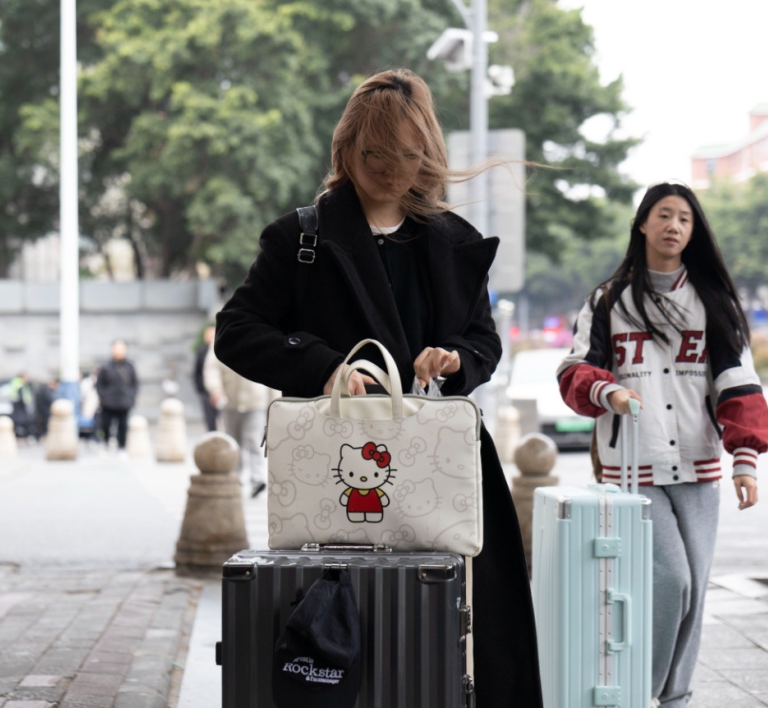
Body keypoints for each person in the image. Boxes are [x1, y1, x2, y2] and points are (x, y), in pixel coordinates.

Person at [213, 68, 542, 706]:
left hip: (444, 465)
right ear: (345, 152)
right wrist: (324, 366)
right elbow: (236, 330)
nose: (392, 171)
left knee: (470, 633)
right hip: (340, 469)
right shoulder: (300, 239)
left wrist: (456, 359)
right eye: (375, 156)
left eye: (409, 155)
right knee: (350, 627)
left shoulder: (454, 242)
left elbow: (486, 342)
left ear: (429, 156)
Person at [557, 182, 768, 708]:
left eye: (685, 219)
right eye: (664, 215)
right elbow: (573, 372)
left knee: (696, 592)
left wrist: (745, 458)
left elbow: (737, 383)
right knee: (671, 581)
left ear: (693, 232)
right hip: (633, 470)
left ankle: (675, 698)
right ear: (643, 224)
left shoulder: (712, 302)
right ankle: (640, 692)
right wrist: (607, 390)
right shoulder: (609, 300)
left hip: (698, 467)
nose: (674, 226)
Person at [202, 345, 276, 498]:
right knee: (232, 441)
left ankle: (257, 478)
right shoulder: (223, 334)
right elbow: (212, 368)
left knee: (254, 440)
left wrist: (275, 401)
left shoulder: (262, 333)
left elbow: (271, 368)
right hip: (230, 400)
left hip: (256, 400)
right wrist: (215, 389)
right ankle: (235, 477)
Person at [95, 339, 139, 455]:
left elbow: (135, 384)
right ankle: (104, 444)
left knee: (123, 427)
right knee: (105, 425)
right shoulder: (105, 366)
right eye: (117, 348)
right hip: (108, 403)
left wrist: (131, 397)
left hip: (124, 402)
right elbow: (99, 384)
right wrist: (103, 397)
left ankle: (122, 448)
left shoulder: (129, 366)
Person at [193, 324, 220, 432]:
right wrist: (201, 389)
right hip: (206, 392)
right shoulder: (202, 351)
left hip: (221, 392)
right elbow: (197, 371)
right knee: (210, 419)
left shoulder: (220, 349)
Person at [9, 372, 35, 440]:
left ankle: (19, 432)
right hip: (19, 404)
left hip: (16, 403)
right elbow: (22, 395)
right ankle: (21, 433)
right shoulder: (20, 383)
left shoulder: (15, 382)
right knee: (21, 419)